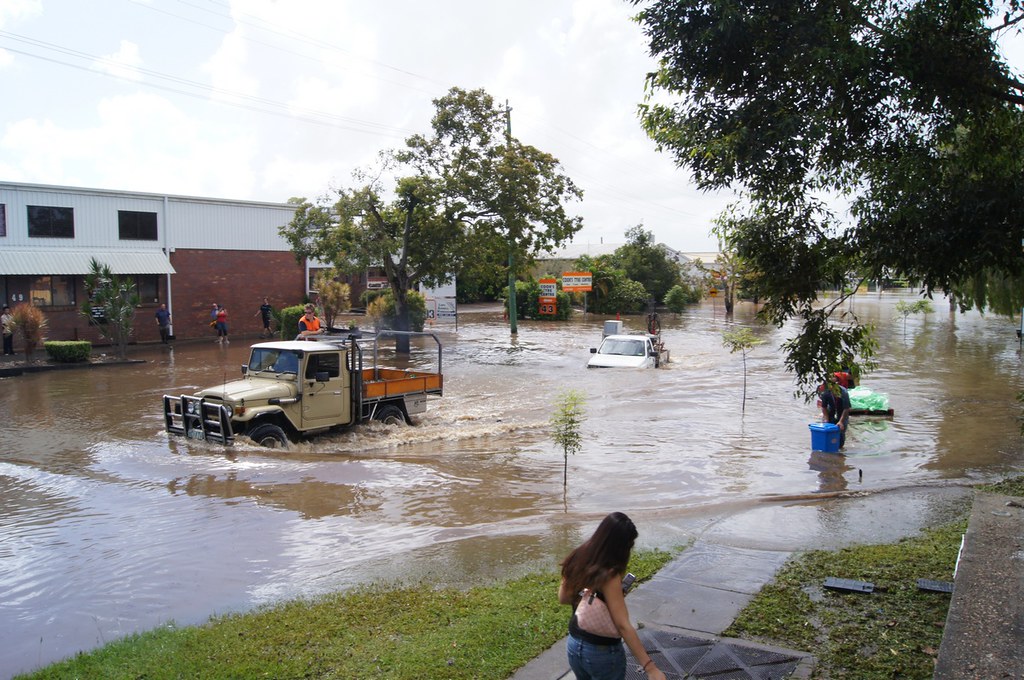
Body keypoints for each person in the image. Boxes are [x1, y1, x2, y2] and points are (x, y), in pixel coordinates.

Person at [559, 512, 666, 680]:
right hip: (602, 652)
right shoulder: (609, 574)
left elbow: (563, 598)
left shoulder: (577, 556)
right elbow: (623, 625)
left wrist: (596, 597)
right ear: (620, 546)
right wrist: (650, 668)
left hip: (574, 645)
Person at [820, 376, 852, 448]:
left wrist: (841, 421)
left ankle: (840, 449)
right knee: (827, 432)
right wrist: (826, 419)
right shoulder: (826, 392)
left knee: (841, 433)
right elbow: (824, 407)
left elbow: (846, 408)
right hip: (831, 412)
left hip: (842, 412)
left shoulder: (844, 392)